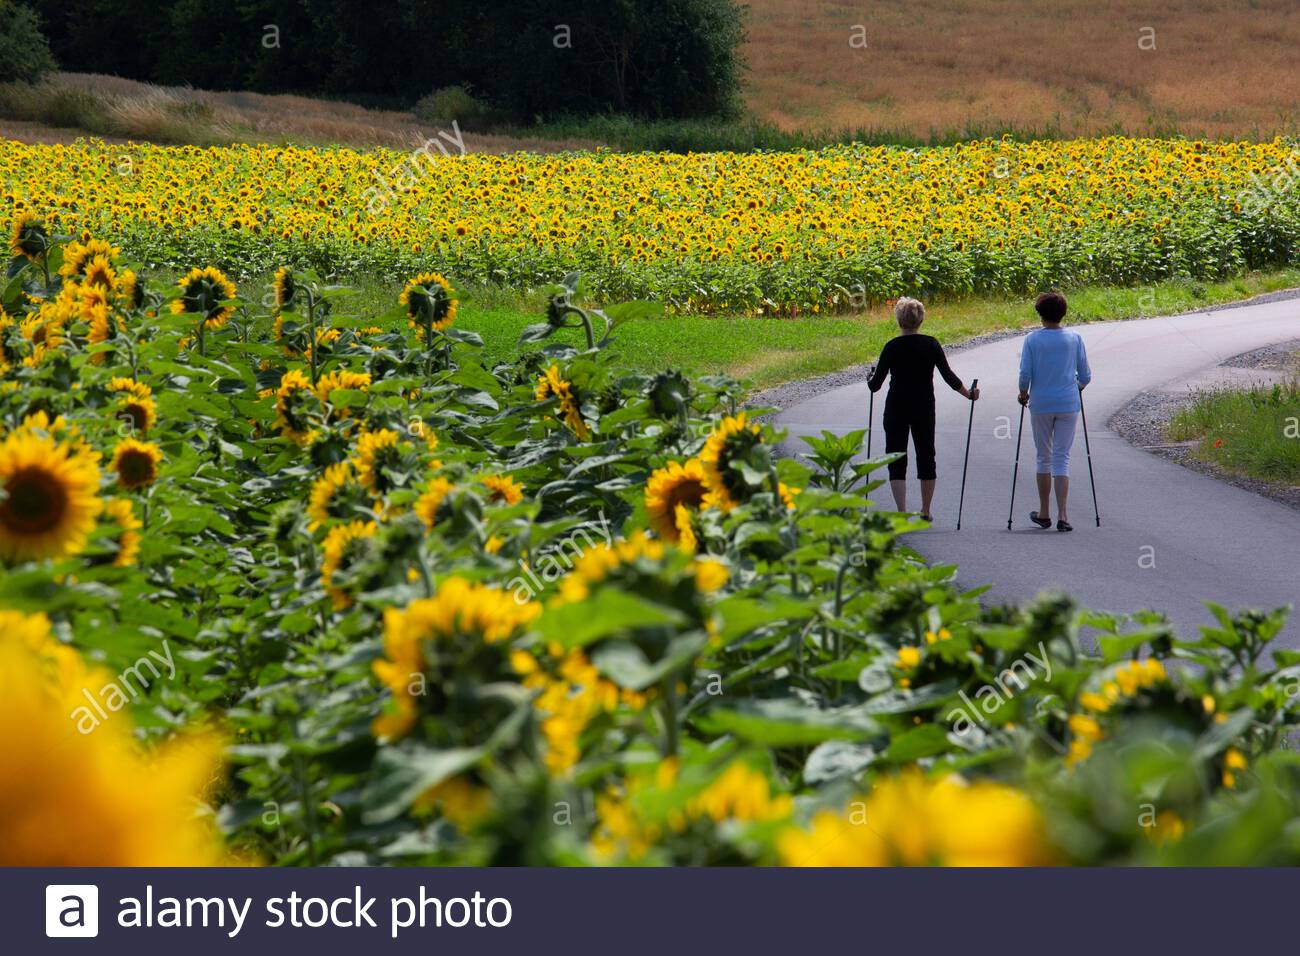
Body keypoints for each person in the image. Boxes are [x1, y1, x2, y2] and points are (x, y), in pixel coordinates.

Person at [868, 297, 979, 520]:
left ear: (898, 320)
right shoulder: (931, 344)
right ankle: (926, 510)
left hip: (896, 406)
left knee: (896, 455)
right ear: (921, 320)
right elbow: (949, 377)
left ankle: (901, 511)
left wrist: (869, 377)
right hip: (924, 407)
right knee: (926, 454)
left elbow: (875, 386)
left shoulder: (891, 347)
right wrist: (969, 394)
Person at [1017, 291, 1092, 532]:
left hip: (1041, 403)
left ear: (1040, 314)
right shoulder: (1074, 338)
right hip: (1068, 403)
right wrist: (1075, 387)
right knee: (1062, 458)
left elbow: (1025, 374)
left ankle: (1044, 512)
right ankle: (1064, 515)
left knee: (1043, 456)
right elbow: (1086, 375)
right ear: (1063, 313)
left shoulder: (1032, 340)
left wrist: (1023, 393)